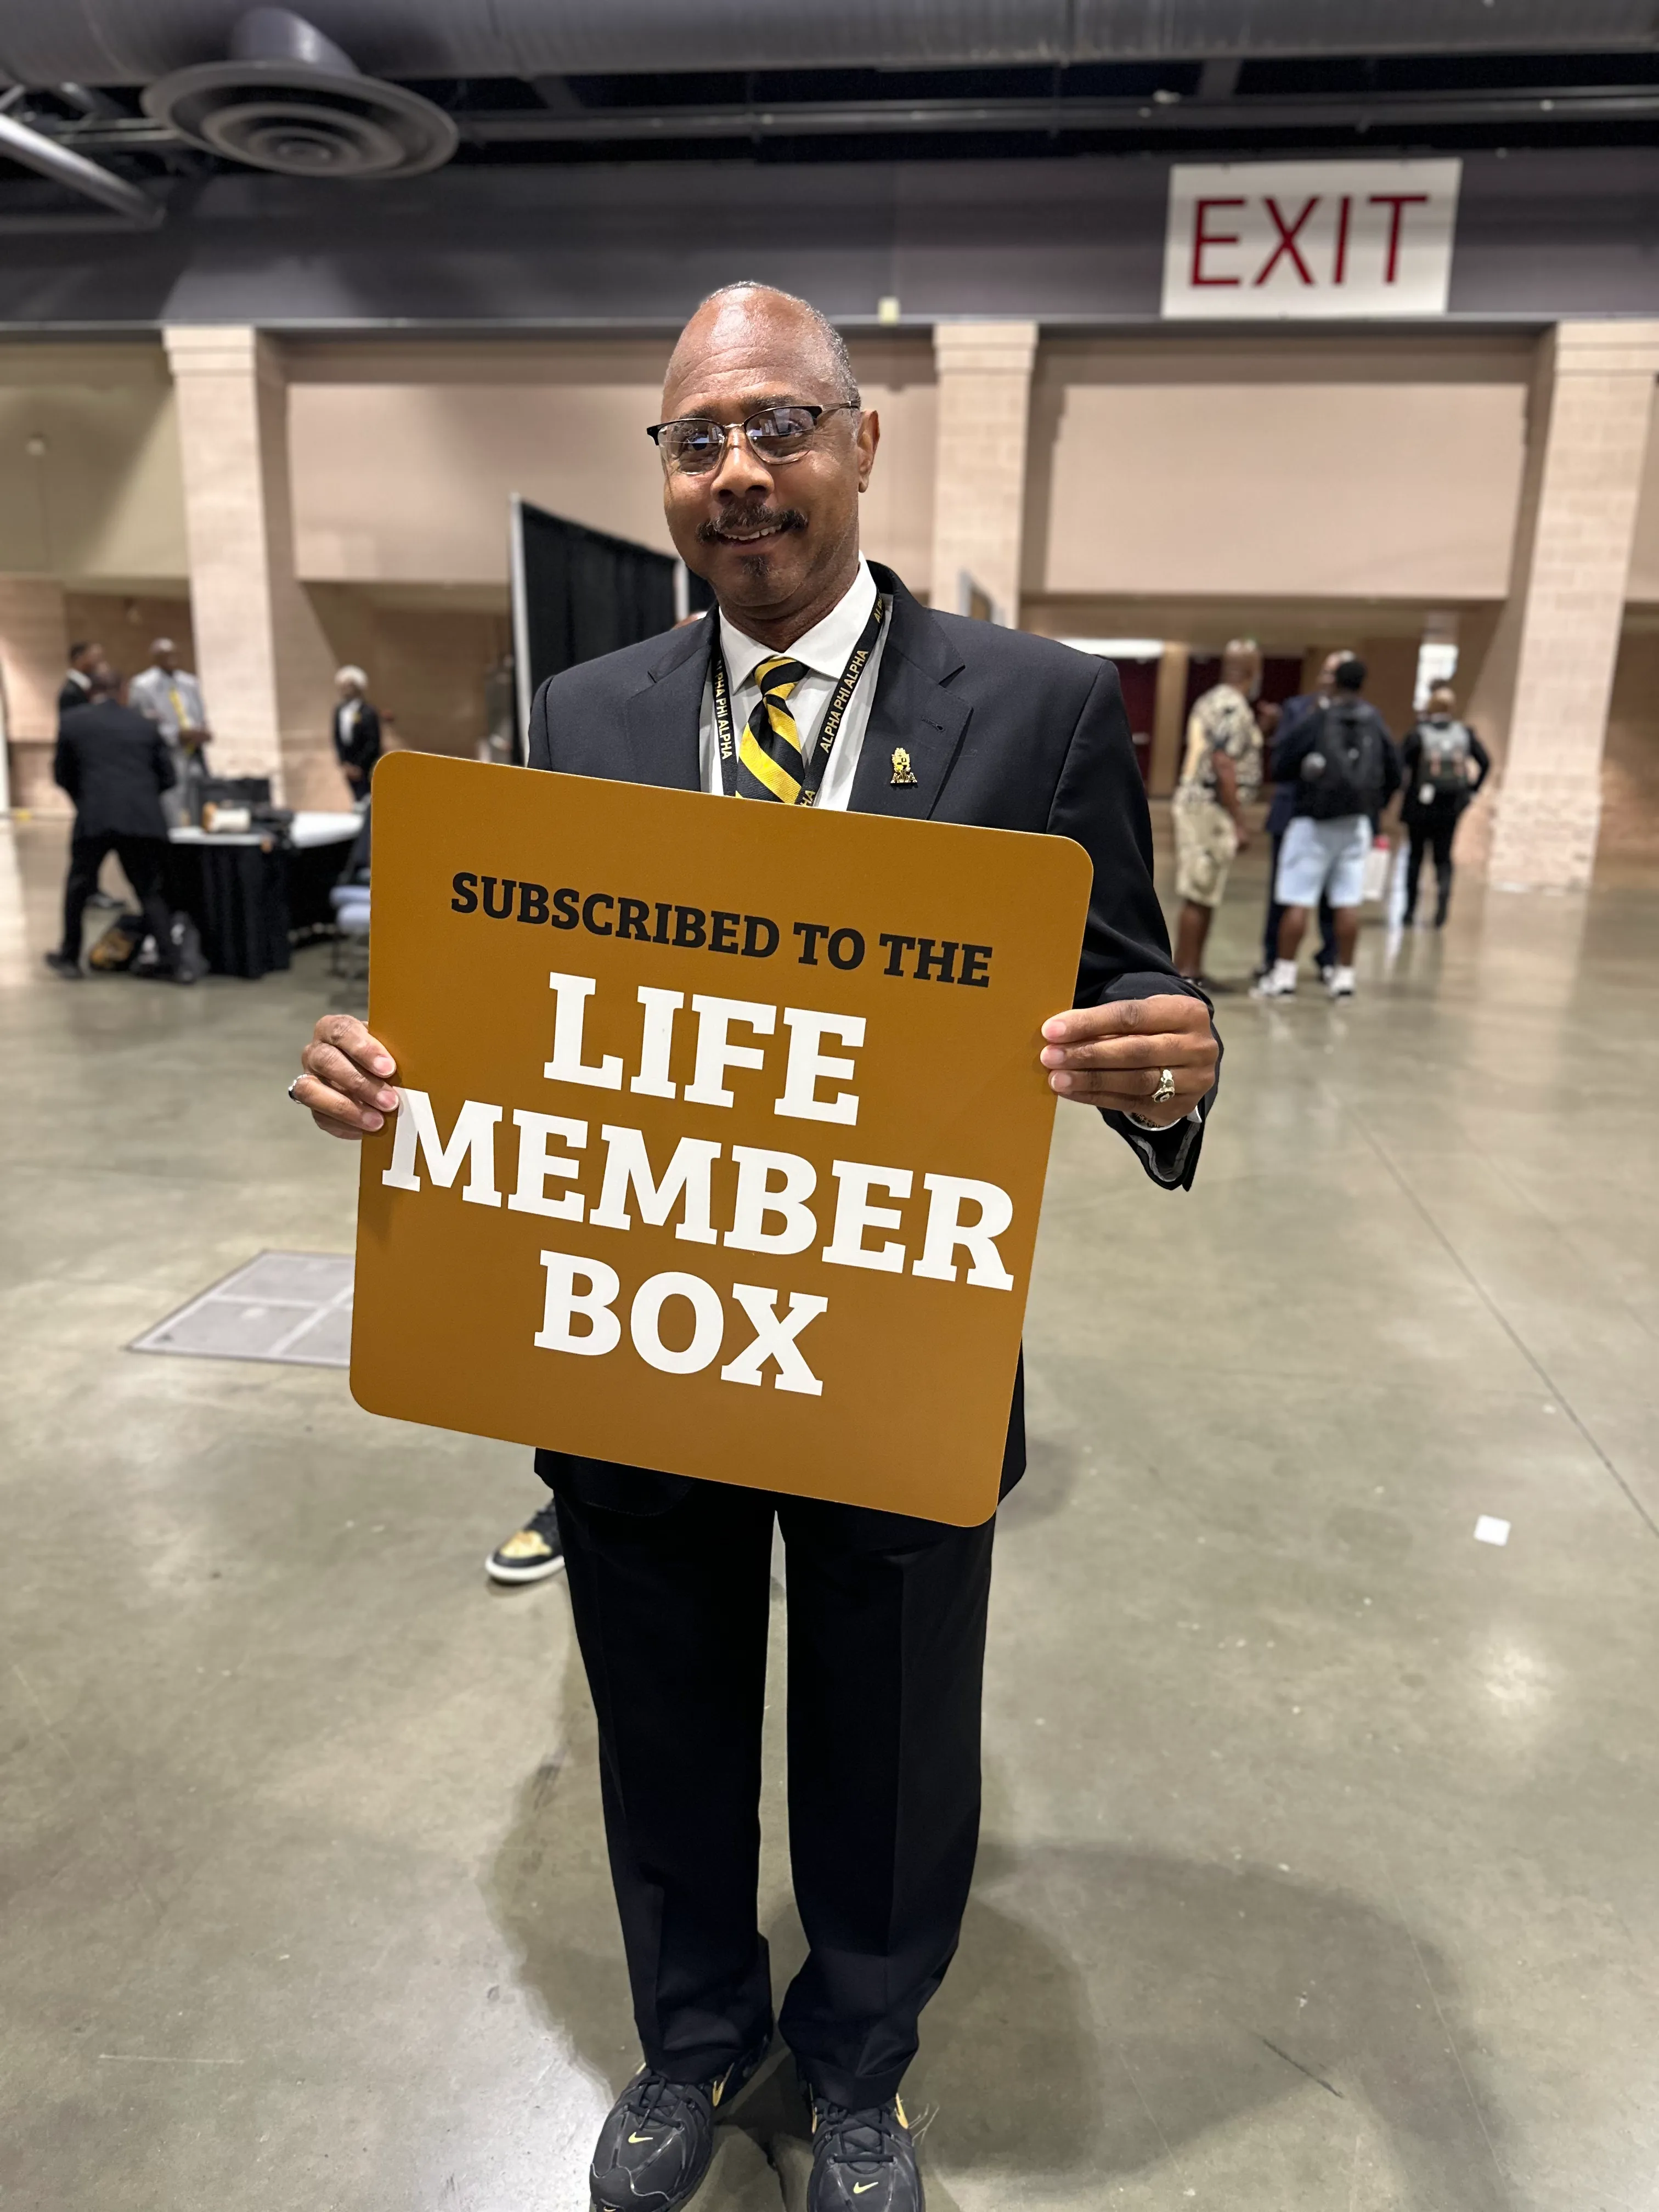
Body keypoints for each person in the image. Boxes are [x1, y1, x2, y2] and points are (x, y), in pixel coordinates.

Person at [291, 281, 1221, 2212]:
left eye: (779, 425)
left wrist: (1169, 1069)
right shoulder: (586, 720)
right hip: (636, 1334)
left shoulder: (1037, 710)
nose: (739, 472)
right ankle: (692, 2041)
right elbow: (507, 1022)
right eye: (697, 437)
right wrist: (390, 1072)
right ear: (666, 475)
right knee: (665, 1713)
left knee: (891, 1739)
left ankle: (861, 2062)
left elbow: (1130, 991)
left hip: (890, 1342)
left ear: (862, 442)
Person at [1254, 655, 1401, 1002]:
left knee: (1297, 900)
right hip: (1355, 825)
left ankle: (1284, 975)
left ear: (1335, 682)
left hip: (1312, 822)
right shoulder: (1375, 721)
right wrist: (1375, 806)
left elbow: (1283, 763)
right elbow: (1395, 772)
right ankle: (1345, 977)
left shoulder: (1320, 718)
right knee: (1347, 902)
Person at [47, 669, 178, 982]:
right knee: (148, 888)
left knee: (79, 885)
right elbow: (169, 777)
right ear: (122, 690)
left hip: (95, 816)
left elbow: (61, 774)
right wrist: (139, 801)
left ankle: (69, 958)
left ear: (91, 691)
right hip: (142, 818)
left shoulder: (73, 721)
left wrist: (87, 800)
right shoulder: (145, 724)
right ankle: (172, 960)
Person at [1171, 638, 1262, 985]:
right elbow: (1223, 763)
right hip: (1210, 807)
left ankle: (1192, 967)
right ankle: (1186, 972)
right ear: (1252, 672)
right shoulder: (1234, 707)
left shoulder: (1211, 700)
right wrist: (1240, 821)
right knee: (1200, 890)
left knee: (1204, 891)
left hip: (1201, 804)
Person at [1257, 650, 1350, 983]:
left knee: (1334, 895)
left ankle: (1329, 958)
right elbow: (1283, 756)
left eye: (1336, 673)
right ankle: (1273, 958)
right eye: (1326, 672)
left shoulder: (1359, 716)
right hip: (1294, 812)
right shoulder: (1299, 708)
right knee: (1283, 894)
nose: (1330, 679)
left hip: (1339, 817)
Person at [1399, 681, 1489, 928]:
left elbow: (1400, 764)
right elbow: (1485, 762)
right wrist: (1471, 790)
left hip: (1419, 805)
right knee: (1443, 857)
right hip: (1451, 805)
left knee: (1416, 856)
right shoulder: (1464, 734)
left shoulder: (1418, 734)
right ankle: (1441, 910)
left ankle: (1409, 911)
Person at [129, 639, 210, 827]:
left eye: (174, 654)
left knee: (199, 800)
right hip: (168, 753)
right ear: (155, 658)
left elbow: (198, 713)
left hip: (193, 753)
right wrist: (175, 735)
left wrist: (202, 731)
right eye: (165, 655)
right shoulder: (143, 685)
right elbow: (143, 723)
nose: (171, 659)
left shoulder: (189, 682)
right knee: (172, 806)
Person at [331, 664, 382, 801]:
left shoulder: (368, 712)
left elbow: (373, 742)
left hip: (366, 767)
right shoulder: (339, 711)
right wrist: (345, 763)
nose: (344, 689)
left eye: (349, 685)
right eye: (342, 685)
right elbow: (337, 738)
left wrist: (359, 766)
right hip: (349, 765)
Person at [57, 640, 103, 722]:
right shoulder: (70, 692)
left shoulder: (90, 685)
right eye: (91, 657)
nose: (96, 662)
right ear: (79, 659)